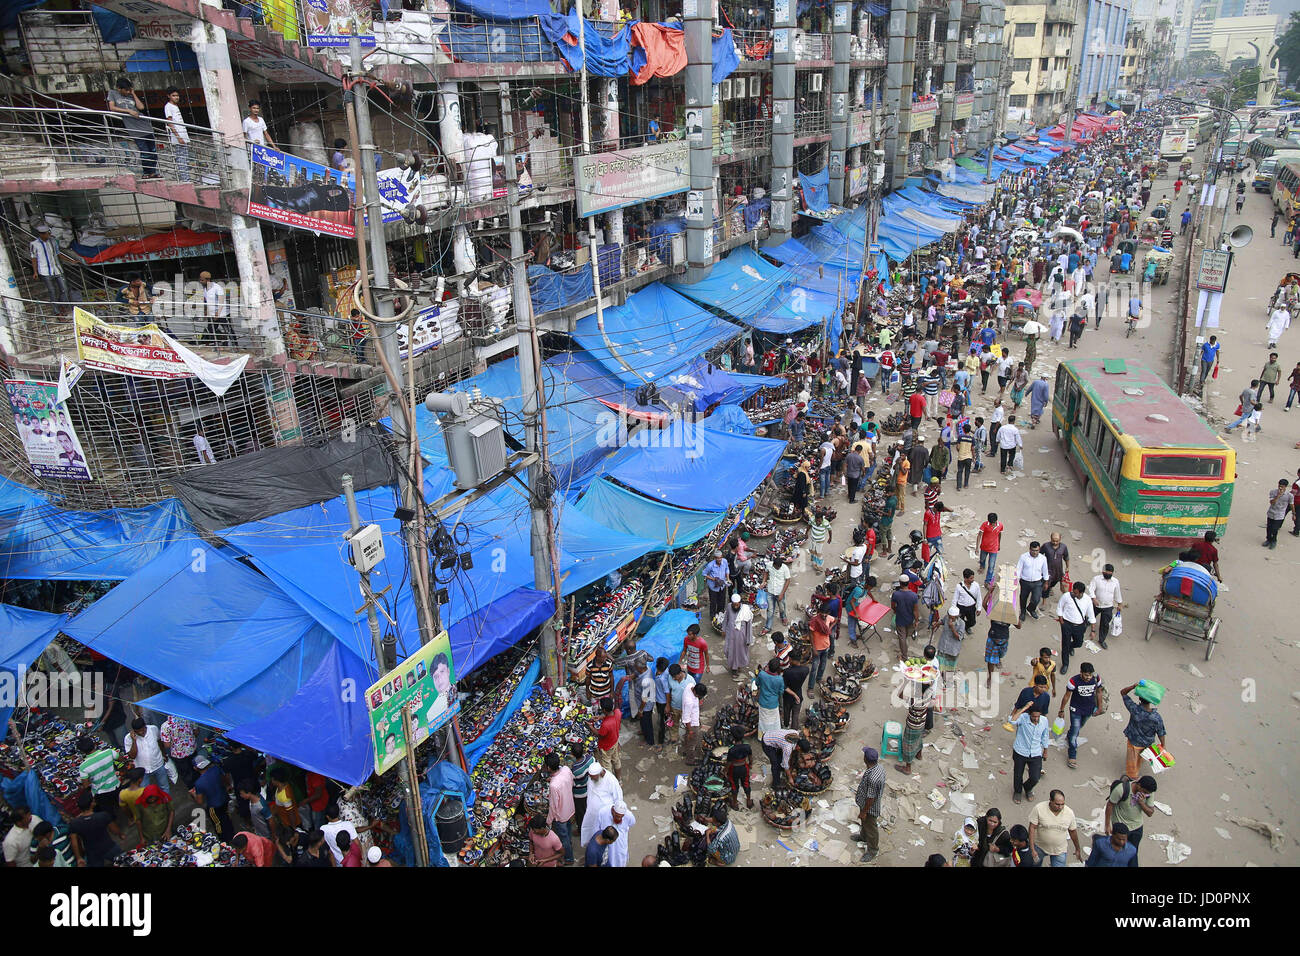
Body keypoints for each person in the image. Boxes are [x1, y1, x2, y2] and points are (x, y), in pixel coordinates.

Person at [107, 76, 157, 176]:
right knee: (145, 152)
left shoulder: (131, 95)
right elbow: (112, 107)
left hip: (145, 125)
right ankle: (147, 173)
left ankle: (153, 172)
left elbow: (141, 107)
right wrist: (128, 111)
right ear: (119, 88)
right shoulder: (113, 93)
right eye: (126, 90)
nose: (128, 92)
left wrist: (133, 93)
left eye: (129, 90)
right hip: (134, 128)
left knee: (153, 152)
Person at [1058, 661, 1103, 769]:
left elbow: (1099, 692)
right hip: (1076, 709)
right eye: (1086, 675)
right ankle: (1072, 756)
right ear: (1081, 673)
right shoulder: (1073, 681)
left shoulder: (1096, 679)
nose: (1089, 677)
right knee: (1075, 734)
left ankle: (1070, 735)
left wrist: (1100, 707)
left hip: (1089, 709)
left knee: (1078, 728)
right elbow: (1067, 696)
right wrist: (1061, 710)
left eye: (1090, 675)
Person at [1120, 681, 1166, 780]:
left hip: (1133, 741)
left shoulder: (1134, 709)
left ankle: (1132, 777)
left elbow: (1123, 692)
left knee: (1132, 762)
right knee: (1141, 757)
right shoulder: (1156, 717)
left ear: (1139, 697)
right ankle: (1136, 770)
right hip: (1147, 743)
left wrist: (1133, 686)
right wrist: (1163, 745)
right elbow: (1161, 732)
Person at [1105, 774, 1158, 856]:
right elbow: (1110, 805)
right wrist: (1107, 825)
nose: (1146, 794)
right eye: (1144, 792)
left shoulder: (1149, 793)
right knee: (1116, 852)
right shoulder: (1121, 789)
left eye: (1147, 793)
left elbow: (1150, 813)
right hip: (1121, 827)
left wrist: (1141, 802)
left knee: (1132, 853)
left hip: (1137, 827)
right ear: (1139, 785)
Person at [578, 761, 624, 850]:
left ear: (600, 774)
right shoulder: (592, 778)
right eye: (590, 777)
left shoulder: (611, 780)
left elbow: (618, 799)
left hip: (605, 816)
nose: (591, 779)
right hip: (591, 813)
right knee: (589, 830)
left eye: (593, 778)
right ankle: (590, 846)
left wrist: (615, 814)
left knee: (603, 834)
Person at [1054, 579, 1096, 672]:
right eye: (1073, 591)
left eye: (1076, 593)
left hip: (1080, 626)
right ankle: (1065, 664)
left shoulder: (1087, 600)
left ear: (1081, 593)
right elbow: (1060, 607)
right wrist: (1061, 620)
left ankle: (1071, 647)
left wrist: (1093, 630)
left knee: (1079, 643)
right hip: (1066, 624)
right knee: (1065, 644)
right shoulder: (1066, 596)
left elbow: (1091, 615)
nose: (1074, 594)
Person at [190, 753, 233, 842]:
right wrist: (227, 786)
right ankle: (232, 833)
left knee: (218, 823)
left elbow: (200, 801)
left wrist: (193, 794)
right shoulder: (216, 769)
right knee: (226, 817)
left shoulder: (199, 783)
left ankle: (224, 841)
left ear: (195, 768)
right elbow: (225, 779)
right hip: (224, 798)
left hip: (213, 806)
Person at [855, 747, 888, 863]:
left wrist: (864, 811)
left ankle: (873, 850)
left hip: (869, 808)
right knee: (865, 823)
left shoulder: (873, 778)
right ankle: (863, 837)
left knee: (871, 828)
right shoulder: (879, 767)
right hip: (865, 803)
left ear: (865, 759)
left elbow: (871, 797)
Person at [1011, 708, 1050, 805]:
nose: (1036, 719)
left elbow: (1045, 735)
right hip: (1020, 751)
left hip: (1036, 752)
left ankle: (1027, 788)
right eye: (1033, 716)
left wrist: (1045, 751)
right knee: (1018, 774)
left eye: (1038, 716)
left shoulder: (1044, 721)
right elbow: (1011, 720)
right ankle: (1018, 791)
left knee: (1035, 777)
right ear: (1029, 715)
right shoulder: (1023, 718)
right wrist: (1023, 708)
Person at [123, 717, 170, 795]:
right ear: (134, 731)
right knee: (145, 792)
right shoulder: (128, 738)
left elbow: (159, 741)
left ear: (145, 726)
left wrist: (164, 754)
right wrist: (134, 741)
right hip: (141, 770)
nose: (141, 733)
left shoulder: (153, 729)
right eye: (138, 732)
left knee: (164, 787)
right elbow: (132, 756)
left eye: (143, 730)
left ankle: (167, 804)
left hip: (158, 765)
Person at [544, 752, 575, 865]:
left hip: (560, 816)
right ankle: (570, 845)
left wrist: (548, 821)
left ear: (548, 767)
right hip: (570, 808)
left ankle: (569, 859)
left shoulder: (553, 785)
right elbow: (571, 781)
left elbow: (553, 807)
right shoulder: (566, 769)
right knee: (568, 831)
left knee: (563, 838)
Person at [76, 735, 121, 815]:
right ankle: (131, 819)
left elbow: (86, 786)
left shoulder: (83, 767)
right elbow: (121, 758)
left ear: (82, 751)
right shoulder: (109, 752)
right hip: (115, 785)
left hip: (100, 793)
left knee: (108, 814)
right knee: (122, 804)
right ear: (94, 744)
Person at [29, 223, 70, 304]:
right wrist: (35, 272)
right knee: (52, 291)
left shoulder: (53, 241)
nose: (49, 235)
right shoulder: (34, 244)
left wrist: (71, 261)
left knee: (65, 289)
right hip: (45, 271)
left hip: (57, 269)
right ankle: (56, 310)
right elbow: (34, 258)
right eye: (47, 233)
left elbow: (58, 254)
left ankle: (61, 304)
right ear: (41, 234)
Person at [1088, 564, 1123, 648]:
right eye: (1107, 572)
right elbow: (1091, 589)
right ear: (1103, 571)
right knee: (1089, 617)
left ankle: (1102, 640)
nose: (1108, 574)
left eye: (1110, 573)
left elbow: (1117, 593)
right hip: (1096, 604)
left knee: (1105, 624)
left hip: (1108, 606)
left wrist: (1120, 604)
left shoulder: (1115, 582)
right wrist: (1093, 598)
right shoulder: (1096, 579)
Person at [1016, 541, 1049, 623]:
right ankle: (1023, 612)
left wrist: (1046, 582)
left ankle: (1031, 609)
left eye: (1037, 550)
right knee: (1023, 598)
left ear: (1039, 549)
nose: (1035, 552)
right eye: (1033, 550)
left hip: (1037, 582)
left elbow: (1045, 570)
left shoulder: (1043, 558)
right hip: (1024, 582)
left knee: (1036, 599)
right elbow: (1018, 569)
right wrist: (1017, 580)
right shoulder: (1023, 557)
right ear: (1030, 549)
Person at [890, 575, 920, 662]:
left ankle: (904, 656)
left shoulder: (896, 594)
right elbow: (915, 610)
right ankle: (904, 652)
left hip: (900, 619)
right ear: (908, 583)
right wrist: (917, 620)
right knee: (906, 635)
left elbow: (893, 606)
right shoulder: (914, 596)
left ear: (900, 583)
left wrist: (896, 611)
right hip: (910, 619)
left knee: (902, 638)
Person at [162, 86, 190, 179]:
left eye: (177, 95)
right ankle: (185, 179)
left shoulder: (175, 106)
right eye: (173, 95)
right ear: (168, 96)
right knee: (181, 158)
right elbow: (170, 123)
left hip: (183, 135)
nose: (176, 97)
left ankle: (186, 178)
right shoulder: (168, 106)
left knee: (185, 158)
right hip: (178, 137)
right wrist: (178, 137)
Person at [723, 726, 753, 811]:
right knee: (746, 783)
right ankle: (749, 801)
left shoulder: (732, 750)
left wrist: (725, 771)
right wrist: (750, 764)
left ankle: (735, 803)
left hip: (734, 769)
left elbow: (728, 763)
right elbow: (750, 758)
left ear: (733, 737)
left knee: (734, 785)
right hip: (744, 767)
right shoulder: (747, 747)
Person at [763, 555, 792, 630]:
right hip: (770, 591)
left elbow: (788, 580)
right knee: (770, 610)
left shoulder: (785, 568)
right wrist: (764, 582)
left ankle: (783, 617)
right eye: (776, 567)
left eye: (778, 568)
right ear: (773, 564)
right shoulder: (769, 565)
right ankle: (767, 627)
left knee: (782, 607)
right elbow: (766, 572)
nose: (777, 568)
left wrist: (782, 594)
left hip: (780, 592)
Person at [781, 652, 809, 727]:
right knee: (795, 716)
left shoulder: (787, 672)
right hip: (798, 695)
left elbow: (784, 686)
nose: (789, 660)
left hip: (788, 697)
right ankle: (794, 732)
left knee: (786, 712)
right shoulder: (806, 670)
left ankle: (786, 725)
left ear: (792, 660)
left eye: (790, 659)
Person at [681, 683, 707, 763]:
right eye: (699, 696)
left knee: (687, 739)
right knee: (692, 742)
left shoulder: (690, 685)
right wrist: (690, 731)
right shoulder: (689, 702)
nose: (699, 698)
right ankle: (690, 760)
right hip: (692, 725)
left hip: (694, 718)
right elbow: (687, 718)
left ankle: (686, 751)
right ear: (695, 693)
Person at [596, 698, 622, 776]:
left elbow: (599, 735)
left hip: (606, 747)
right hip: (615, 742)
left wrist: (591, 727)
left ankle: (612, 783)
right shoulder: (617, 713)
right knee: (616, 761)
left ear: (604, 710)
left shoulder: (606, 725)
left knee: (607, 766)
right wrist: (601, 717)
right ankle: (619, 780)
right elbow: (611, 713)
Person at [1266, 478, 1294, 549]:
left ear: (1285, 487)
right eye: (1279, 486)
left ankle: (1274, 541)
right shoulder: (1273, 492)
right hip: (1271, 513)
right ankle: (1268, 539)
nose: (1280, 488)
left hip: (1280, 515)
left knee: (1275, 529)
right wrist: (1278, 496)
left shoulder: (1289, 496)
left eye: (1282, 486)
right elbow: (1272, 502)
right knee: (1269, 528)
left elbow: (1291, 505)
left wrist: (1294, 514)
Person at [1041, 531, 1070, 597]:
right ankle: (1044, 600)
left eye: (1057, 541)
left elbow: (1066, 557)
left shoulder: (1063, 547)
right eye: (1053, 541)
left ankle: (1050, 587)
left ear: (1060, 539)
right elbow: (1039, 554)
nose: (1055, 543)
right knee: (1046, 583)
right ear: (1050, 539)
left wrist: (1067, 567)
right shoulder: (1046, 546)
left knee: (1055, 581)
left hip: (1058, 570)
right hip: (1048, 569)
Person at [681, 622, 709, 687]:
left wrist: (707, 666)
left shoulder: (702, 643)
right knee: (690, 684)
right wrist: (680, 662)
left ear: (695, 634)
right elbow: (684, 651)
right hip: (690, 666)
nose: (688, 636)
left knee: (695, 685)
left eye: (690, 634)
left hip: (699, 668)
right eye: (688, 634)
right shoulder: (686, 639)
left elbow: (706, 655)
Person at [978, 512, 1003, 586]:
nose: (992, 524)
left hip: (994, 549)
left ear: (996, 521)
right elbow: (979, 535)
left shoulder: (1000, 525)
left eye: (994, 523)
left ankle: (987, 581)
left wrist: (999, 544)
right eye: (991, 523)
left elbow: (999, 534)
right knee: (982, 559)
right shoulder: (984, 525)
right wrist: (977, 547)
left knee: (991, 566)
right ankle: (982, 566)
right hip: (984, 547)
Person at [703, 549, 729, 618]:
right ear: (715, 558)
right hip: (713, 587)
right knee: (713, 602)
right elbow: (704, 574)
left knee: (722, 600)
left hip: (722, 585)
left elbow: (727, 569)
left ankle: (720, 614)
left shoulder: (725, 561)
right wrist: (713, 579)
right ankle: (713, 616)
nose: (719, 559)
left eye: (720, 557)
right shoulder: (710, 565)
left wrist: (728, 578)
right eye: (717, 558)